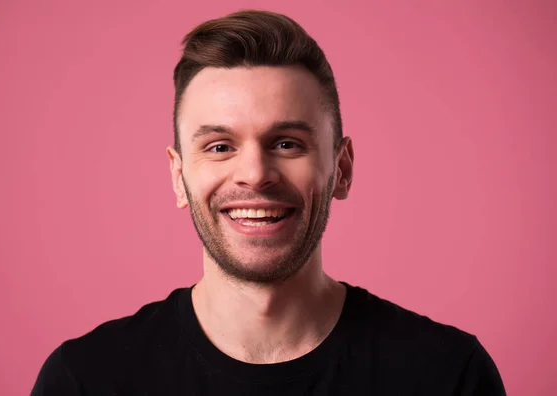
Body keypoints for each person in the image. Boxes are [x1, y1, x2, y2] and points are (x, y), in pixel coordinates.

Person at [31, 10, 506, 395]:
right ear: (179, 176)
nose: (255, 174)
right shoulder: (84, 381)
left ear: (341, 168)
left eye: (287, 144)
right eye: (219, 146)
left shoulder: (447, 376)